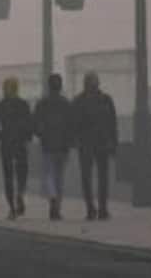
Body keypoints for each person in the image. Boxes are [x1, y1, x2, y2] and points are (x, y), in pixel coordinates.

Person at [72, 71, 118, 221]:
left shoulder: (80, 101)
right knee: (99, 177)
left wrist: (76, 140)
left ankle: (94, 209)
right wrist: (113, 142)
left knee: (90, 177)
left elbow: (74, 124)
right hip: (98, 143)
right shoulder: (105, 100)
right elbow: (112, 123)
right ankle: (99, 209)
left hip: (91, 143)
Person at [0, 77, 34, 219]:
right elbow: (29, 123)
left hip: (6, 144)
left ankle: (12, 208)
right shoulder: (23, 105)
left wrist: (0, 137)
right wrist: (27, 137)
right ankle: (20, 192)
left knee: (8, 176)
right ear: (16, 88)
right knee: (22, 173)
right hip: (20, 143)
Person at [32, 73, 74, 221]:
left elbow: (35, 124)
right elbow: (71, 125)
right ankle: (57, 207)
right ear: (60, 86)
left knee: (48, 175)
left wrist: (41, 134)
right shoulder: (66, 104)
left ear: (48, 86)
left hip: (47, 144)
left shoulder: (42, 103)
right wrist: (70, 141)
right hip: (63, 146)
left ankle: (53, 199)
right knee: (59, 177)